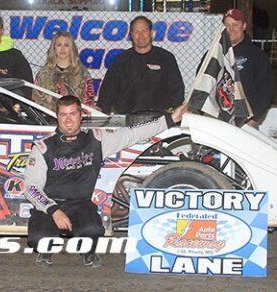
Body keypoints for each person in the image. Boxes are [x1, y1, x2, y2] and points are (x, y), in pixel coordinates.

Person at [23, 95, 188, 268]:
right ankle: (46, 250)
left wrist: (171, 119)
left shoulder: (96, 139)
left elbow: (132, 133)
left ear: (81, 115)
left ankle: (88, 252)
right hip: (50, 205)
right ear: (57, 117)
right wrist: (54, 210)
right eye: (63, 115)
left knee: (93, 231)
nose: (68, 120)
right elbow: (31, 187)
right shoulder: (43, 147)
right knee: (38, 239)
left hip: (80, 203)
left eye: (73, 114)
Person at [96, 16, 184, 115]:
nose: (141, 36)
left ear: (151, 33)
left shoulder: (166, 58)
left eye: (144, 31)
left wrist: (172, 114)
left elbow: (177, 90)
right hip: (126, 118)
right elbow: (108, 90)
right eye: (136, 32)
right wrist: (101, 109)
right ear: (131, 35)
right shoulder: (120, 60)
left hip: (159, 119)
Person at [221, 9, 273, 127]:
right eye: (227, 25)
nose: (231, 29)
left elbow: (266, 90)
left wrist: (254, 118)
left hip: (245, 121)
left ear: (244, 26)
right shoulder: (213, 54)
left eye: (235, 24)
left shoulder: (257, 55)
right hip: (219, 119)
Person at [32, 31, 96, 111]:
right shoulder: (44, 73)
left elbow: (88, 101)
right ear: (54, 48)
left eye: (66, 45)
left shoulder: (82, 73)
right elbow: (35, 99)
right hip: (48, 119)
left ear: (72, 48)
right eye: (59, 45)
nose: (62, 49)